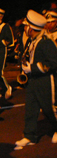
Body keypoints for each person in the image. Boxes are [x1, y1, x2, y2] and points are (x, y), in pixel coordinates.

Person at [14, 10, 57, 149]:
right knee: (31, 109)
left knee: (49, 108)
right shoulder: (32, 41)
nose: (25, 28)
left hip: (45, 81)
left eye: (26, 26)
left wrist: (32, 68)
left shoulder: (46, 43)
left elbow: (53, 63)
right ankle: (29, 136)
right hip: (33, 81)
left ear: (31, 28)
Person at [0, 7, 14, 99]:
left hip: (1, 51)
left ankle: (7, 87)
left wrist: (1, 42)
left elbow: (10, 40)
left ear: (1, 17)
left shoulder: (5, 26)